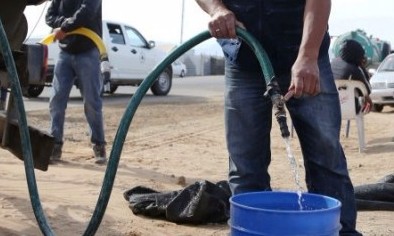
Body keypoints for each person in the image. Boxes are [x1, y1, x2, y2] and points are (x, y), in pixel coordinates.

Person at [195, 0, 362, 235]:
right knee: (245, 167)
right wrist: (217, 9)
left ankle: (341, 232)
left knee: (326, 157)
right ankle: (251, 231)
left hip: (305, 57)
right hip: (244, 61)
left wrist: (308, 55)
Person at [45, 0, 107, 164]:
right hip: (65, 53)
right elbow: (49, 16)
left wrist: (64, 28)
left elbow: (87, 12)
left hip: (88, 51)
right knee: (56, 100)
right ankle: (55, 145)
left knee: (92, 102)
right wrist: (62, 25)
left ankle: (99, 145)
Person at [331, 39, 372, 114]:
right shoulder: (355, 70)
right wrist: (362, 67)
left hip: (329, 104)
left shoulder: (334, 62)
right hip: (347, 107)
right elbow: (367, 90)